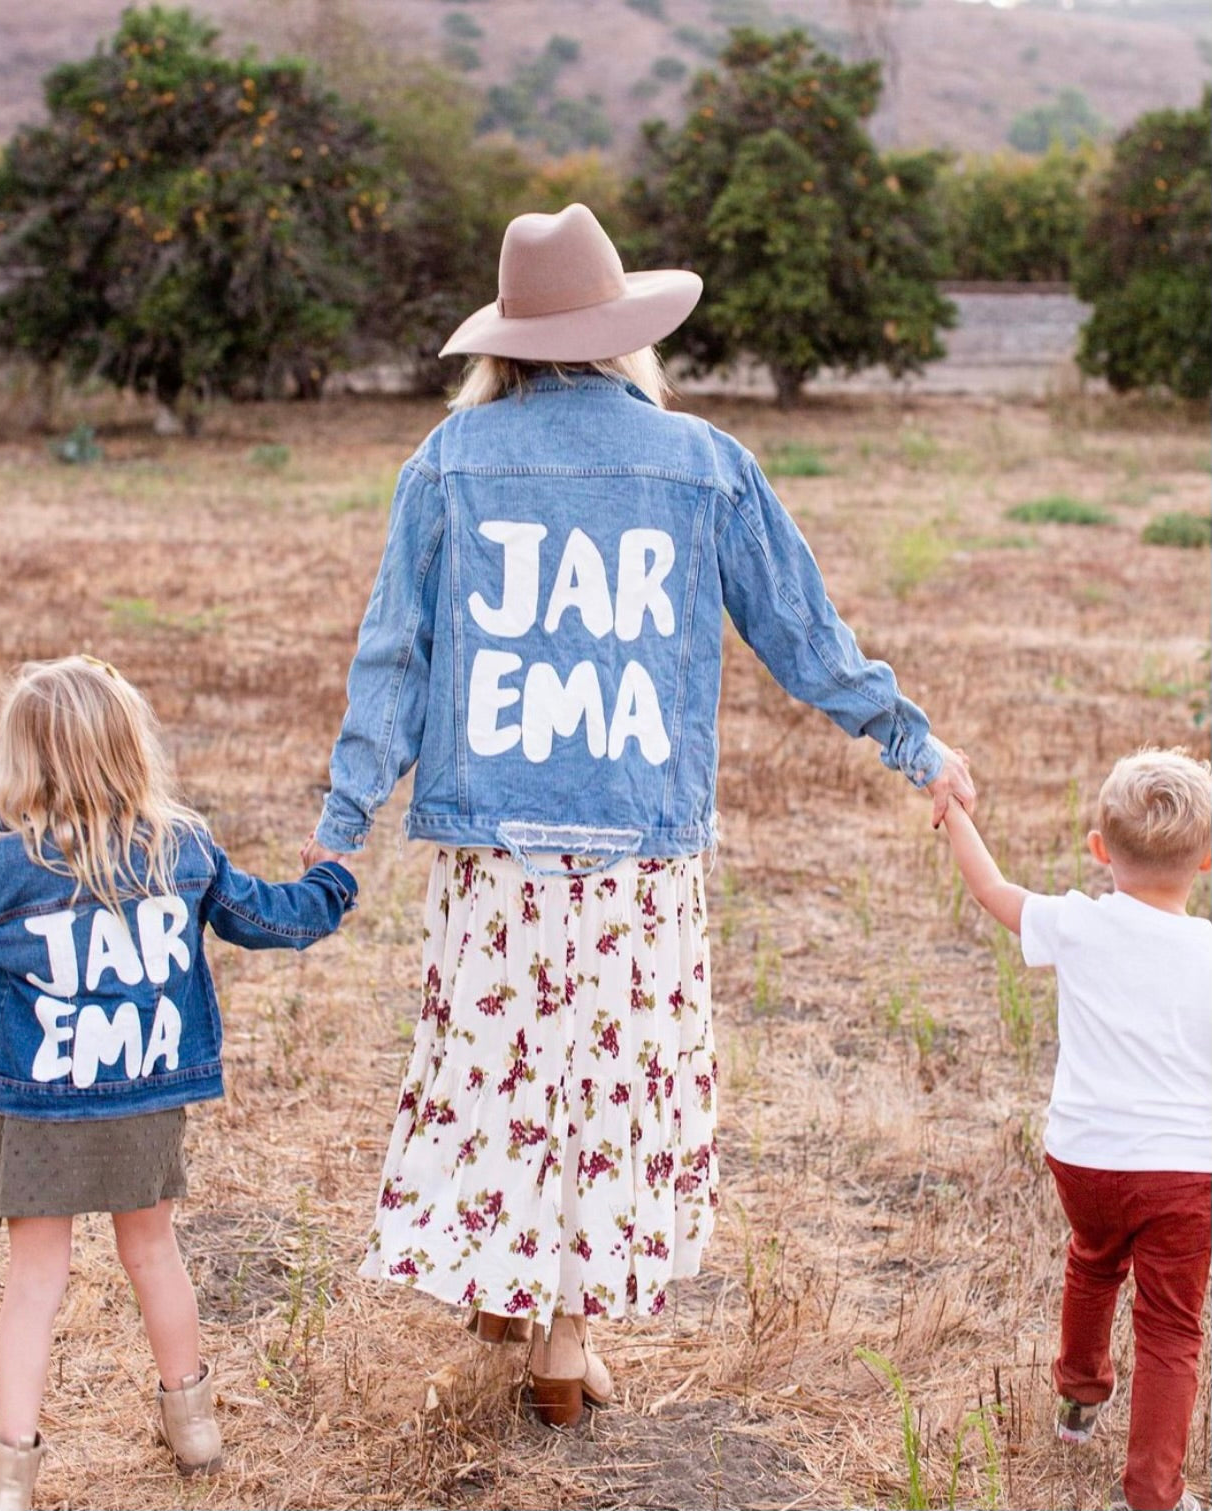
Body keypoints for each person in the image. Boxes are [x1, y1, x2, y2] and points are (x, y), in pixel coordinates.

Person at [302, 202, 974, 1428]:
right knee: (604, 1083)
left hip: (495, 842)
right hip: (637, 849)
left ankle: (506, 1282)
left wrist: (342, 816)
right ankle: (562, 1338)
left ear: (504, 339)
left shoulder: (446, 462)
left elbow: (394, 657)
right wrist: (906, 738)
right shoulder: (702, 460)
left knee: (503, 1067)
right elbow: (802, 635)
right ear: (623, 335)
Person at [0, 656, 358, 1511]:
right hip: (146, 1095)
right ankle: (194, 1428)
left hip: (42, 1105)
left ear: (20, 762)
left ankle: (7, 1474)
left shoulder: (1, 867)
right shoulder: (181, 848)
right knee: (153, 1252)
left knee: (36, 1279)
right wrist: (330, 880)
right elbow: (266, 917)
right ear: (129, 748)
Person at [940, 747, 1211, 1511]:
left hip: (1084, 1157)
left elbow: (990, 888)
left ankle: (1078, 1398)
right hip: (1183, 1170)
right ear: (1207, 858)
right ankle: (1153, 1492)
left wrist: (953, 810)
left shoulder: (1078, 923)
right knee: (1169, 1327)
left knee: (1092, 1262)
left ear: (1099, 851)